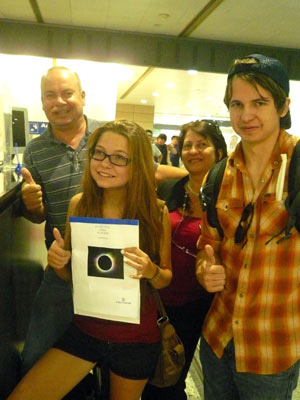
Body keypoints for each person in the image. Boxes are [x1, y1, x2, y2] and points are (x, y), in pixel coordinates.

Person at [19, 66, 188, 382]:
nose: (106, 163)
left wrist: (200, 187)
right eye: (50, 95)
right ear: (42, 102)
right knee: (35, 358)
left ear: (82, 96)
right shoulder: (40, 156)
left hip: (131, 315)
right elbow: (44, 228)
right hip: (74, 276)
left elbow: (163, 275)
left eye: (67, 92)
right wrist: (36, 212)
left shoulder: (111, 135)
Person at [8, 120, 172, 400]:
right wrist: (59, 262)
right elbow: (71, 277)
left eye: (119, 157)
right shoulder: (79, 204)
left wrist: (151, 269)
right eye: (99, 153)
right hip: (86, 329)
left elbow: (166, 278)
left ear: (139, 164)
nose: (105, 163)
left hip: (135, 338)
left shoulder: (155, 211)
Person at [196, 54, 300, 400]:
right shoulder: (217, 176)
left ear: (283, 106)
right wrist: (205, 269)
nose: (247, 115)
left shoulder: (298, 167)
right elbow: (206, 246)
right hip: (217, 337)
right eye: (237, 104)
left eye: (260, 102)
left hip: (273, 346)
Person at [142, 120, 227, 400]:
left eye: (202, 145)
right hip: (156, 295)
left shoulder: (227, 195)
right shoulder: (171, 190)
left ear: (219, 152)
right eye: (188, 145)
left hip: (195, 303)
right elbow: (149, 170)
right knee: (148, 372)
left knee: (171, 375)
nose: (193, 151)